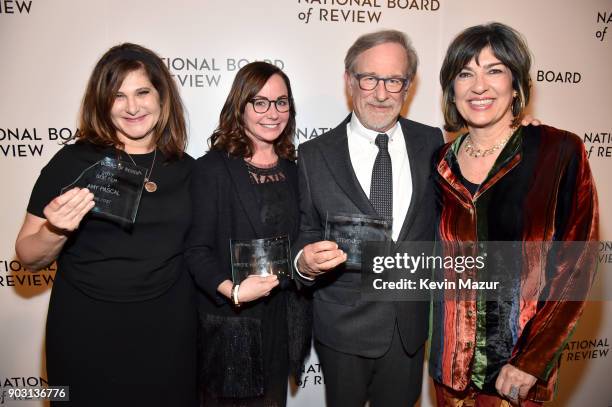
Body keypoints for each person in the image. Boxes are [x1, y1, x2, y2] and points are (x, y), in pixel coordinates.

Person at [14, 43, 197, 406]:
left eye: (142, 92)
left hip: (167, 332)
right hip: (86, 330)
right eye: (118, 96)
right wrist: (55, 230)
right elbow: (26, 254)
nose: (132, 107)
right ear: (102, 102)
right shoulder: (73, 161)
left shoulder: (188, 169)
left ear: (162, 97)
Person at [430, 22, 598, 406]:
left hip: (514, 378)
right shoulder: (439, 163)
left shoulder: (558, 152)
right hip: (447, 373)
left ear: (516, 83)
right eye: (465, 73)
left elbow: (576, 267)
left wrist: (531, 361)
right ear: (451, 89)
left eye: (494, 70)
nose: (479, 86)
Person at [293, 30, 444, 407]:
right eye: (369, 78)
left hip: (408, 328)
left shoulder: (433, 144)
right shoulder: (314, 154)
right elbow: (304, 230)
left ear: (407, 85)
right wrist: (304, 263)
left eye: (394, 80)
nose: (381, 93)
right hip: (343, 328)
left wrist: (523, 134)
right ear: (349, 80)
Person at [184, 62, 311, 407]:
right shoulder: (212, 168)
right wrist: (235, 291)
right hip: (232, 322)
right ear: (240, 107)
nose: (273, 113)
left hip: (281, 319)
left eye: (281, 102)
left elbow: (302, 239)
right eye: (260, 102)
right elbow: (196, 250)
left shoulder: (294, 169)